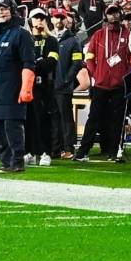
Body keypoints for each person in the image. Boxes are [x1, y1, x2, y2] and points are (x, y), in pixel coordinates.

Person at [77, 4, 131, 162]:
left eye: (116, 13)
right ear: (105, 16)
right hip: (100, 84)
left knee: (117, 120)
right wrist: (95, 73)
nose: (113, 17)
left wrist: (126, 72)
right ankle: (83, 151)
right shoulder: (99, 35)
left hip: (119, 85)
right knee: (93, 118)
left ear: (121, 14)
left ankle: (113, 152)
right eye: (110, 14)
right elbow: (89, 56)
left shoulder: (128, 34)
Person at [0, 0, 35, 173]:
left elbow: (29, 63)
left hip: (13, 88)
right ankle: (6, 162)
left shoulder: (21, 34)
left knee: (12, 126)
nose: (1, 12)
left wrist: (26, 87)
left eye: (4, 9)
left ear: (13, 11)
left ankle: (17, 162)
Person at [24, 8, 59, 166]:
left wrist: (32, 64)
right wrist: (37, 62)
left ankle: (46, 152)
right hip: (26, 85)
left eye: (42, 18)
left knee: (43, 120)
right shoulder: (24, 39)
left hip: (43, 86)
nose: (39, 21)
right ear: (30, 20)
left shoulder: (51, 41)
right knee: (27, 120)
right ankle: (29, 151)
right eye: (36, 18)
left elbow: (50, 64)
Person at [53, 9, 85, 160]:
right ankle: (55, 148)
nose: (58, 21)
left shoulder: (73, 40)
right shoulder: (50, 38)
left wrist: (67, 79)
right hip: (49, 86)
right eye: (56, 18)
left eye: (61, 18)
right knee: (53, 118)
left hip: (63, 87)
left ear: (66, 20)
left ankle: (68, 148)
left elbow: (77, 62)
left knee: (65, 118)